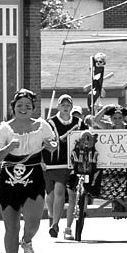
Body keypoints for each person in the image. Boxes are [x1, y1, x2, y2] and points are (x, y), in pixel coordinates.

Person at [0, 89, 57, 253]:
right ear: (13, 108)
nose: (24, 109)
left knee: (33, 222)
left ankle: (27, 241)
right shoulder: (4, 129)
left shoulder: (42, 125)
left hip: (33, 178)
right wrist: (8, 148)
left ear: (33, 108)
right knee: (11, 226)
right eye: (20, 106)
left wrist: (52, 145)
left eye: (28, 106)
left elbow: (52, 143)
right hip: (8, 180)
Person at [44, 95, 85, 239]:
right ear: (58, 106)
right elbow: (44, 142)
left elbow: (87, 138)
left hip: (73, 164)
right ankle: (53, 215)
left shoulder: (79, 122)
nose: (66, 106)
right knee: (50, 196)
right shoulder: (50, 123)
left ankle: (63, 227)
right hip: (53, 164)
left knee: (68, 193)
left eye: (68, 104)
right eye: (63, 104)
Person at [65, 105, 85, 240]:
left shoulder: (87, 131)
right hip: (73, 169)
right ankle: (68, 228)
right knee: (72, 199)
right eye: (74, 115)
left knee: (83, 197)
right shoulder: (68, 134)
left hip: (86, 168)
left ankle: (83, 212)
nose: (76, 118)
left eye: (78, 116)